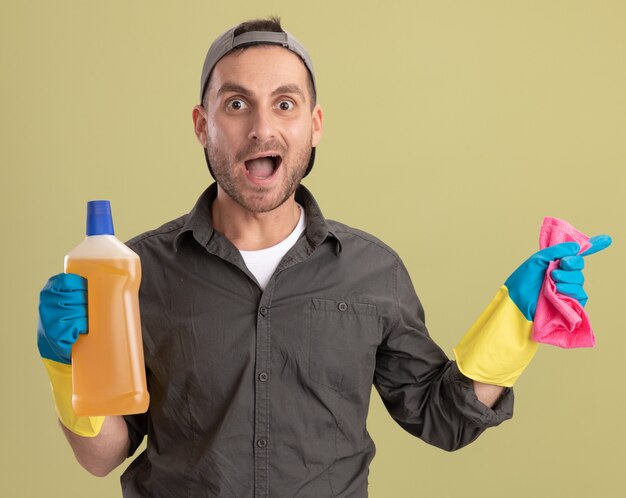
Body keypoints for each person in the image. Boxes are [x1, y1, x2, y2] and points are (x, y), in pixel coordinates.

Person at [37, 17, 611, 498]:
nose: (262, 128)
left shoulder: (373, 271)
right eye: (237, 104)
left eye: (284, 104)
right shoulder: (135, 273)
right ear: (202, 124)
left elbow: (443, 418)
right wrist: (66, 368)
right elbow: (103, 454)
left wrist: (516, 320)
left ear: (314, 126)